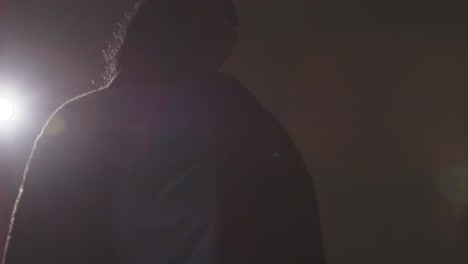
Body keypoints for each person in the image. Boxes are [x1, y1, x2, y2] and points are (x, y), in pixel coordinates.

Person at [5, 0, 326, 263]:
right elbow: (34, 243)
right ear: (160, 25)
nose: (224, 31)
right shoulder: (79, 127)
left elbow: (296, 243)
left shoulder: (257, 135)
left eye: (225, 21)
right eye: (199, 16)